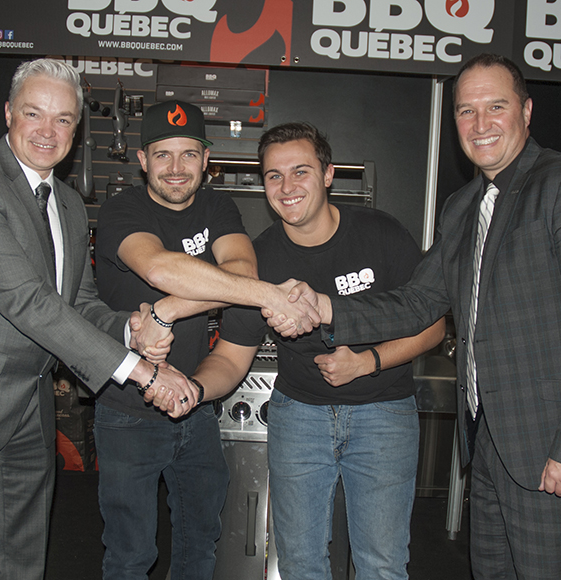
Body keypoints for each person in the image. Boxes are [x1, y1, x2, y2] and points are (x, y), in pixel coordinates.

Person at [270, 54, 561, 579]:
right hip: (489, 443)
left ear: (526, 111)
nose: (480, 124)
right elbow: (419, 302)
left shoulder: (555, 184)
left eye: (495, 107)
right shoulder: (464, 206)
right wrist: (325, 306)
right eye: (466, 111)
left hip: (543, 445)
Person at [0, 59, 195, 580]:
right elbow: (27, 301)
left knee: (21, 563)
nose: (48, 131)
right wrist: (141, 371)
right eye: (34, 114)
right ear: (8, 113)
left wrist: (130, 330)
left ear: (77, 128)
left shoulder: (67, 203)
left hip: (29, 410)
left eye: (63, 119)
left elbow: (78, 300)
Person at [148, 122, 444, 580]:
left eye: (300, 172)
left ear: (328, 174)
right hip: (300, 417)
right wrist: (194, 389)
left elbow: (433, 326)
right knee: (300, 564)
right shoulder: (260, 259)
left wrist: (367, 362)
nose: (287, 187)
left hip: (383, 413)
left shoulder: (381, 233)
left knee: (382, 565)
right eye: (274, 176)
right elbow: (231, 356)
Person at [93, 101, 320, 580]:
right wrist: (269, 295)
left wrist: (166, 311)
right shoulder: (120, 211)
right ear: (143, 160)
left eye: (189, 154)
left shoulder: (217, 206)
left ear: (206, 160)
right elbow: (159, 267)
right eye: (163, 154)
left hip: (195, 408)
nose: (176, 168)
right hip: (128, 409)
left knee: (199, 547)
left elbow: (242, 271)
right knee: (130, 555)